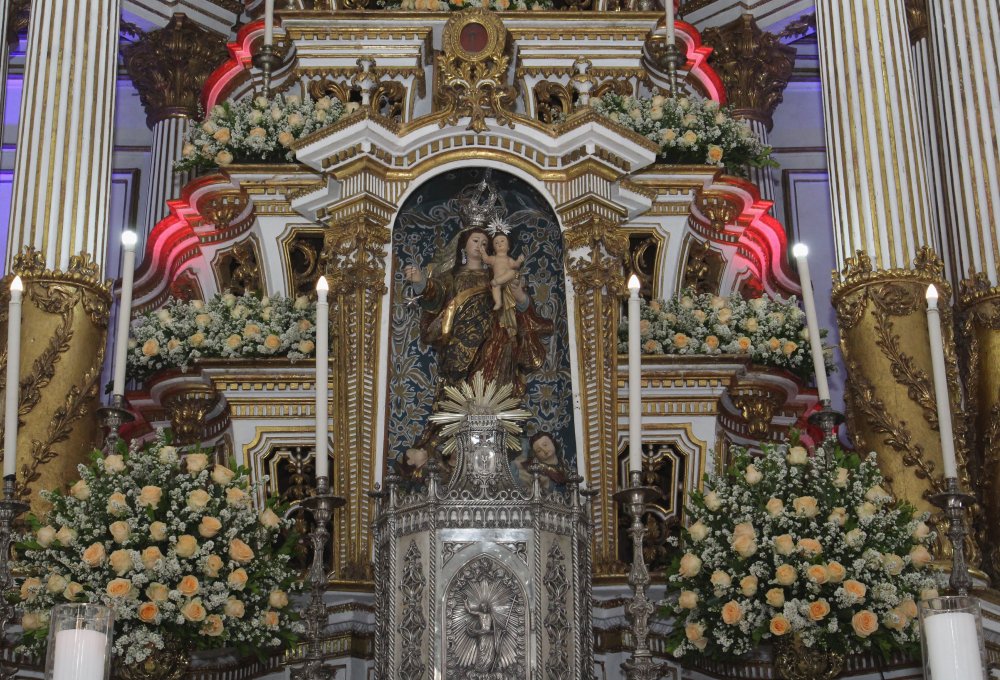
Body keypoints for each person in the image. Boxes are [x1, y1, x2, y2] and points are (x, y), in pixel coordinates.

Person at [401, 227, 553, 465]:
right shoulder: (451, 277)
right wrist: (420, 282)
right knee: (465, 396)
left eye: (485, 241)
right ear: (463, 245)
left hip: (497, 342)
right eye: (475, 240)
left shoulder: (498, 274)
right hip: (460, 349)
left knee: (496, 391)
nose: (480, 245)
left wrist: (519, 295)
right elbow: (434, 297)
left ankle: (496, 452)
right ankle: (461, 453)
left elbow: (520, 308)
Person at [479, 233, 525, 312]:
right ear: (494, 248)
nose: (499, 244)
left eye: (502, 241)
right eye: (496, 243)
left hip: (507, 279)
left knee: (512, 272)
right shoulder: (494, 259)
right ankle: (498, 302)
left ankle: (509, 283)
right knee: (495, 288)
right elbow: (486, 259)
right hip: (497, 280)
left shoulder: (508, 259)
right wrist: (483, 253)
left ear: (508, 247)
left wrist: (519, 261)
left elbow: (515, 265)